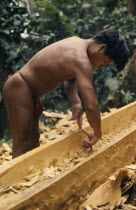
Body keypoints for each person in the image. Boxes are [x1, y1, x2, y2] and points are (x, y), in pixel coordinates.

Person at [3, 29, 129, 158]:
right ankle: (14, 178)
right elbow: (91, 105)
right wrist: (97, 132)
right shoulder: (80, 59)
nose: (101, 66)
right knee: (22, 143)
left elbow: (69, 81)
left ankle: (30, 176)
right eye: (105, 62)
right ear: (102, 48)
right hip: (19, 86)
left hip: (30, 91)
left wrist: (76, 102)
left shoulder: (77, 44)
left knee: (34, 140)